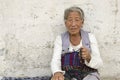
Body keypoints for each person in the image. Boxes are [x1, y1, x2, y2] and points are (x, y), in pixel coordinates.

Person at [51, 6, 103, 80]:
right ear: (65, 23)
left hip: (88, 73)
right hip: (67, 74)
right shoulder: (60, 39)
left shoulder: (90, 37)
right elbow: (55, 60)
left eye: (77, 20)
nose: (73, 24)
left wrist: (89, 58)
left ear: (82, 22)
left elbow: (99, 63)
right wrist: (57, 72)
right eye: (70, 20)